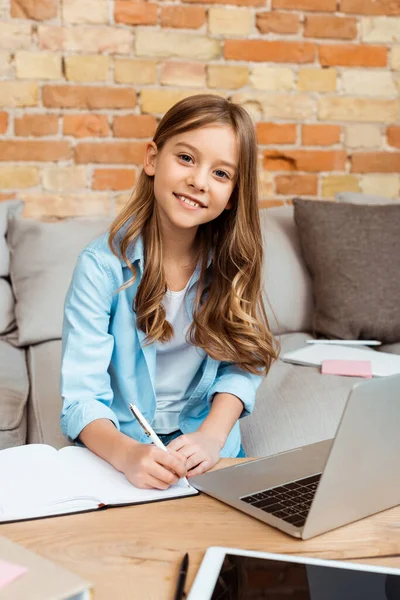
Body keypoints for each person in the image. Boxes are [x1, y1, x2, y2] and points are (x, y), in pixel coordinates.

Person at [60, 94, 278, 491]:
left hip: (210, 452)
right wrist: (127, 455)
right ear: (152, 159)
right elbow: (81, 400)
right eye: (187, 159)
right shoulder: (100, 267)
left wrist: (212, 436)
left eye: (222, 174)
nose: (198, 181)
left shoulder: (234, 264)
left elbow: (241, 366)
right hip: (120, 451)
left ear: (232, 198)